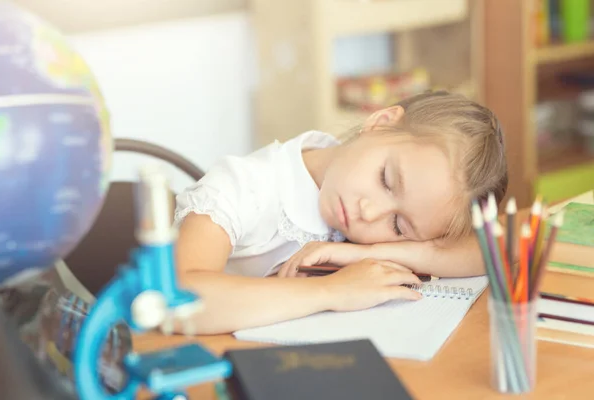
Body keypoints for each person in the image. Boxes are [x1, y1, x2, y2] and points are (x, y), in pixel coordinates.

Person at [174, 91, 508, 335]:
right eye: (387, 181)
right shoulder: (245, 186)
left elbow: (492, 247)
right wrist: (333, 291)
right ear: (380, 123)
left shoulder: (360, 214)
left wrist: (363, 252)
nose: (370, 211)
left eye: (398, 223)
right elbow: (179, 297)